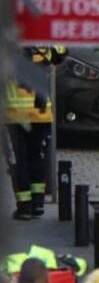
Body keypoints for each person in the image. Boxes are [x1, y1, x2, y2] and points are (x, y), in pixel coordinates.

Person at [5, 46, 65, 219]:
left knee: (18, 161)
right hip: (40, 114)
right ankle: (37, 203)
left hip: (14, 116)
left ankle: (24, 206)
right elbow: (61, 53)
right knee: (36, 158)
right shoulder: (42, 43)